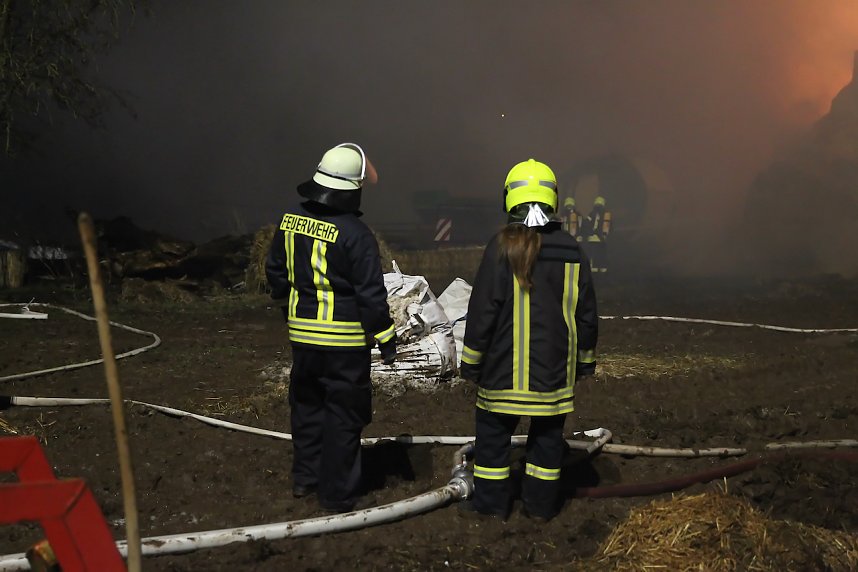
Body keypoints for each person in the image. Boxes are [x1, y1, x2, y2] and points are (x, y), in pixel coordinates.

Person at [459, 158, 598, 521]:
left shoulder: (500, 247)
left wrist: (471, 363)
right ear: (552, 198)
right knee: (547, 443)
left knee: (492, 441)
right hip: (553, 377)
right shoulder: (572, 250)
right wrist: (584, 362)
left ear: (510, 198)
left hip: (502, 375)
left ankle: (490, 508)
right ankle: (539, 509)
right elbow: (586, 313)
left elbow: (482, 311)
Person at [265, 142, 396, 513]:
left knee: (306, 407)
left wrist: (287, 298)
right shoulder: (356, 234)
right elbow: (371, 296)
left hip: (301, 339)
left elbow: (275, 271)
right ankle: (338, 495)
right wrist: (386, 338)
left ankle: (305, 480)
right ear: (352, 189)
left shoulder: (290, 219)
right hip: (343, 344)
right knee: (343, 415)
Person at [583, 195, 611, 272]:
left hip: (592, 239)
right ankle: (602, 271)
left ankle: (593, 270)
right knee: (601, 255)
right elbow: (610, 226)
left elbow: (586, 224)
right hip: (602, 239)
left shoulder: (591, 213)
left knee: (592, 255)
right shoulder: (606, 214)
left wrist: (588, 234)